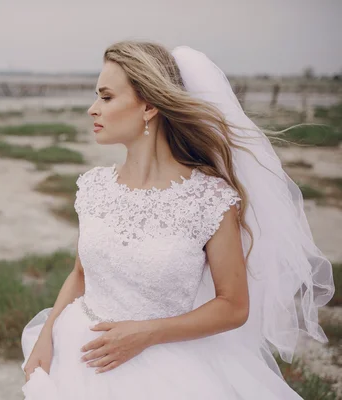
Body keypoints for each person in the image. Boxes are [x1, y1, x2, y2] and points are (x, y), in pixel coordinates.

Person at [21, 41, 334, 399]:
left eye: (106, 98)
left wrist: (146, 333)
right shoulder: (93, 187)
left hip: (168, 369)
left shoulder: (210, 199)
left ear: (150, 106)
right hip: (77, 357)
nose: (93, 109)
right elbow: (80, 274)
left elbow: (233, 306)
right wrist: (47, 335)